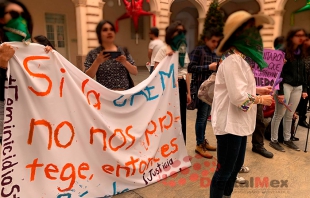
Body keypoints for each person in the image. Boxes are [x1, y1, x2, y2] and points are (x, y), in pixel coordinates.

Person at [209, 11, 274, 198]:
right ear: (238, 33)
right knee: (224, 171)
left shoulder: (240, 57)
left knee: (234, 167)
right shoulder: (232, 59)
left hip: (237, 124)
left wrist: (258, 92)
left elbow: (238, 89)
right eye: (249, 29)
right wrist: (261, 100)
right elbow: (238, 98)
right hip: (229, 125)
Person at [0, 0, 33, 144]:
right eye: (14, 14)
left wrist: (47, 58)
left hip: (27, 117)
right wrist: (2, 64)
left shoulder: (30, 49)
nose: (20, 19)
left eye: (23, 15)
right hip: (5, 119)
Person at [269, 28, 308, 152]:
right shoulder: (282, 51)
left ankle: (287, 139)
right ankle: (273, 140)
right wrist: (279, 92)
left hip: (298, 87)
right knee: (279, 113)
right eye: (298, 35)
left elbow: (304, 71)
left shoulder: (302, 52)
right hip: (284, 85)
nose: (301, 38)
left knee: (290, 114)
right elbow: (276, 72)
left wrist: (304, 88)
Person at [154, 21, 191, 144]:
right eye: (178, 31)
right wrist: (168, 57)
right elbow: (156, 72)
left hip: (181, 86)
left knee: (181, 118)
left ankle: (181, 148)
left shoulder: (183, 50)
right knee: (169, 118)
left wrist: (188, 92)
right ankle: (168, 148)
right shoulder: (163, 50)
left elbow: (187, 72)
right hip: (168, 88)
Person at [187, 29, 222, 158]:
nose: (215, 44)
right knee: (202, 117)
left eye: (217, 42)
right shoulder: (199, 50)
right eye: (213, 41)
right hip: (202, 89)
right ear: (206, 39)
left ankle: (202, 141)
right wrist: (209, 67)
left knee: (206, 116)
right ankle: (199, 144)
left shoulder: (216, 53)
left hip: (212, 90)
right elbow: (190, 68)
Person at [84, 20, 138, 90]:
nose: (109, 32)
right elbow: (87, 77)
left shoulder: (123, 50)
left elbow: (135, 72)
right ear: (99, 34)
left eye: (111, 29)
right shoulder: (94, 53)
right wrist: (97, 62)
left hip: (124, 95)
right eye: (105, 30)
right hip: (105, 96)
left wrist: (125, 62)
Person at [296, 33, 310, 128]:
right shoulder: (299, 51)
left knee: (305, 101)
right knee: (301, 102)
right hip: (301, 79)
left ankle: (302, 119)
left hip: (308, 79)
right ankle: (299, 118)